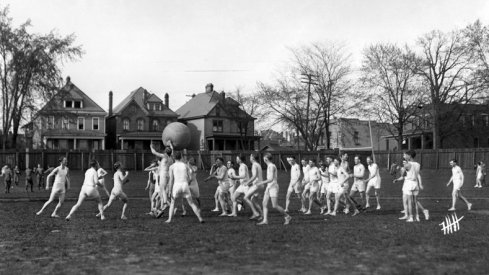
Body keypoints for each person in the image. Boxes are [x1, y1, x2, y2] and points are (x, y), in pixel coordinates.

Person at [165, 151, 204, 223]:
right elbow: (191, 177)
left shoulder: (172, 167)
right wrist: (187, 182)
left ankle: (169, 219)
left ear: (174, 157)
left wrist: (170, 190)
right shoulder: (185, 165)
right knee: (191, 203)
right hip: (185, 185)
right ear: (181, 157)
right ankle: (200, 218)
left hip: (177, 186)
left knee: (173, 203)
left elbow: (171, 180)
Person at [256, 153, 292, 225]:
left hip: (273, 187)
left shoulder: (271, 166)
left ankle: (287, 216)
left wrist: (260, 182)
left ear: (266, 159)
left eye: (264, 158)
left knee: (274, 205)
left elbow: (271, 179)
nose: (263, 160)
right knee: (264, 204)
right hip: (269, 187)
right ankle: (265, 220)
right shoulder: (269, 166)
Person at [150, 142, 173, 216]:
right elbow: (172, 150)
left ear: (166, 151)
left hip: (163, 174)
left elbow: (154, 152)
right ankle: (158, 209)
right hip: (168, 175)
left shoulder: (164, 156)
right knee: (162, 191)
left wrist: (151, 147)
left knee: (162, 189)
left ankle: (165, 203)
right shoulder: (171, 157)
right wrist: (170, 144)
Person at [243, 153, 264, 220]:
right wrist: (251, 183)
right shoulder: (258, 165)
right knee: (254, 200)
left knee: (246, 198)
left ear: (253, 158)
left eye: (250, 157)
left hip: (257, 185)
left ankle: (255, 213)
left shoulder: (254, 165)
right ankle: (262, 215)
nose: (249, 158)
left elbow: (254, 176)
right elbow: (258, 176)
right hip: (261, 185)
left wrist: (248, 182)